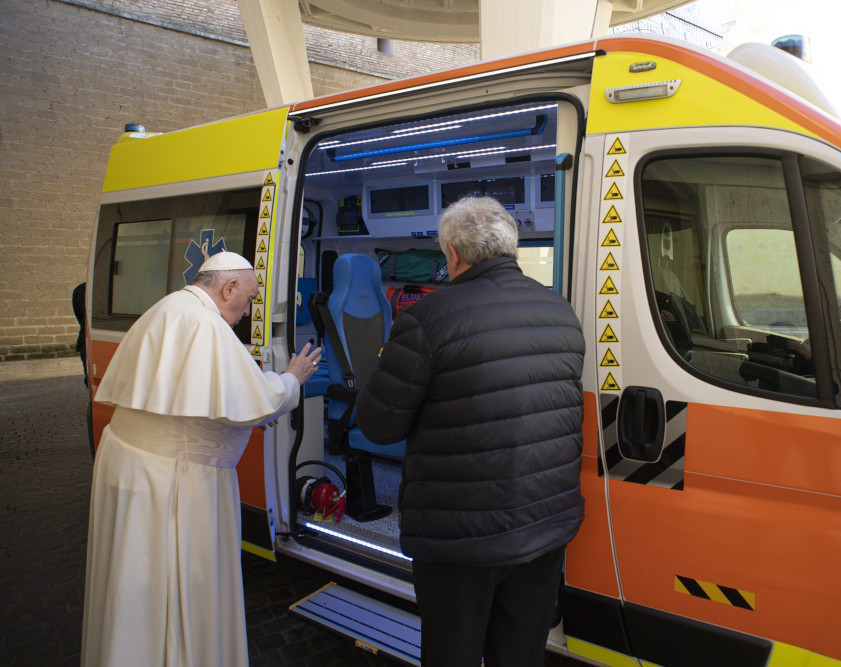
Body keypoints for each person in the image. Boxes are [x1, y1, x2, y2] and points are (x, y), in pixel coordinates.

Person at [356, 196, 586, 667]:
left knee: (453, 655)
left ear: (453, 256)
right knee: (520, 654)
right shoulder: (561, 311)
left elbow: (379, 426)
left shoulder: (426, 318)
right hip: (543, 524)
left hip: (460, 534)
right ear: (512, 249)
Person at [81, 251, 322, 667]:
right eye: (246, 301)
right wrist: (292, 378)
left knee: (132, 584)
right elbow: (258, 402)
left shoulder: (171, 307)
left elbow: (207, 401)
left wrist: (243, 415)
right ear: (228, 287)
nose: (246, 313)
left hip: (136, 464)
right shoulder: (205, 323)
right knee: (169, 586)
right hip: (171, 480)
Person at [72, 281, 87, 386]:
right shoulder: (82, 289)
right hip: (86, 338)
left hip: (85, 336)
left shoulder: (80, 288)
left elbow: (79, 316)